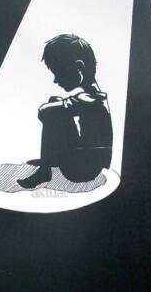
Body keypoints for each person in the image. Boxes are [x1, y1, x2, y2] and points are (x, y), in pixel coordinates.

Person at [17, 34, 113, 188]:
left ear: (79, 68)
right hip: (87, 161)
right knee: (55, 102)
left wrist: (47, 113)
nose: (56, 80)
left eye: (59, 73)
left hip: (82, 171)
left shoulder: (91, 98)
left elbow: (44, 111)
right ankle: (48, 161)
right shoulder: (93, 93)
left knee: (53, 111)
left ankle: (44, 171)